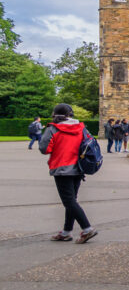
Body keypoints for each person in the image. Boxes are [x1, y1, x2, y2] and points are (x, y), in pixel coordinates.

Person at [39, 103, 98, 244]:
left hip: (62, 168)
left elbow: (44, 148)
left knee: (69, 201)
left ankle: (87, 228)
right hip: (78, 167)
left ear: (55, 114)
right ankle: (66, 232)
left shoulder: (53, 128)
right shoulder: (81, 128)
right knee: (72, 200)